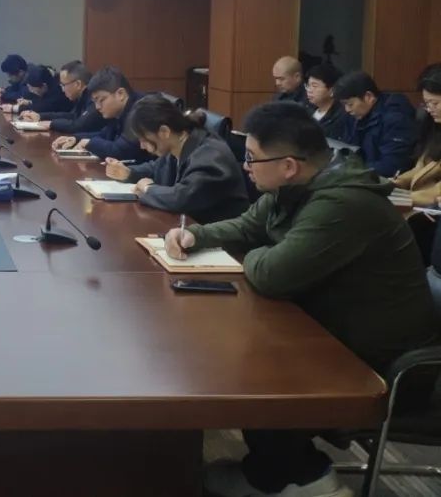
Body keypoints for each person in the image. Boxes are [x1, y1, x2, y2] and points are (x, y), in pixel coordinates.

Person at [164, 102, 438, 497]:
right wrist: (196, 236)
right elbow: (249, 225)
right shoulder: (296, 187)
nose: (245, 166)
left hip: (380, 361)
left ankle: (302, 477)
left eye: (252, 158)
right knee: (241, 342)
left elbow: (272, 275)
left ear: (289, 165)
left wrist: (253, 255)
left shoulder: (342, 204)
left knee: (249, 359)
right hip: (331, 330)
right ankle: (274, 470)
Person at [103, 95, 248, 223]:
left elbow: (182, 198)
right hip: (188, 230)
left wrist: (148, 189)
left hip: (219, 240)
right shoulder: (179, 142)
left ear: (164, 131)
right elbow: (156, 167)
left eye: (144, 139)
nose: (141, 146)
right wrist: (129, 173)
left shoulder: (211, 155)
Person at [50, 66, 151, 162]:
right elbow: (105, 134)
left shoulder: (140, 111)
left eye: (101, 100)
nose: (97, 107)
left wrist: (89, 143)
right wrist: (76, 138)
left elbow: (120, 151)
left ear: (120, 94)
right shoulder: (118, 112)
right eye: (95, 102)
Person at [393, 65, 441, 265]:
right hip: (421, 205)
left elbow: (435, 193)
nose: (430, 109)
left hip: (431, 211)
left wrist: (396, 198)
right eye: (427, 103)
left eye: (435, 103)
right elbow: (420, 168)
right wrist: (392, 184)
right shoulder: (434, 127)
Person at [334, 70, 417, 177]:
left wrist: (350, 171)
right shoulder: (356, 115)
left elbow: (392, 165)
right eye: (344, 105)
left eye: (350, 104)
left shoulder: (396, 118)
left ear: (369, 97)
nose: (347, 110)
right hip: (362, 173)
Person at [18, 60, 104, 133]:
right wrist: (40, 116)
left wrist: (51, 124)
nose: (62, 90)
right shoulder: (81, 96)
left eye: (64, 85)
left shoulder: (94, 99)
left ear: (78, 84)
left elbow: (78, 126)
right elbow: (72, 116)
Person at [304, 62, 349, 140]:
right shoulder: (306, 109)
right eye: (308, 85)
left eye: (314, 86)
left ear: (332, 91)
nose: (309, 90)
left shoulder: (341, 117)